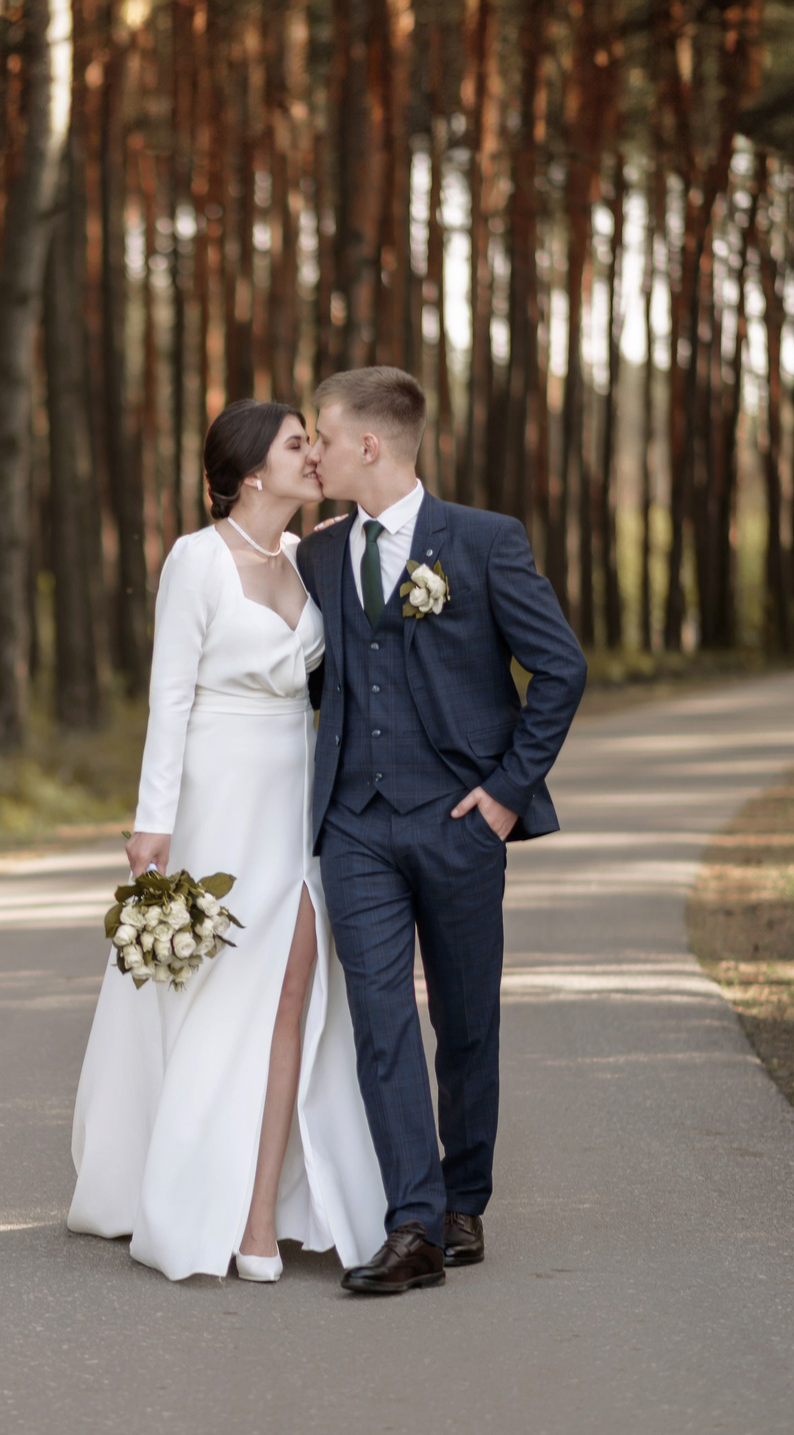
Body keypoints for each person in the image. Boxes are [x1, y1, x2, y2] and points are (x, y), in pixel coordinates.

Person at [67, 400, 384, 1283]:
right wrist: (152, 825)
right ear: (252, 472)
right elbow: (169, 698)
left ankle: (259, 1217)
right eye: (296, 444)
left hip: (297, 796)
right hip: (217, 800)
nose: (312, 455)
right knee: (212, 996)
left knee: (296, 988)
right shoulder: (195, 560)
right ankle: (186, 1190)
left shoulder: (305, 557)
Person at [296, 366, 586, 1296]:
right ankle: (412, 1223)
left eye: (325, 439)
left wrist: (505, 794)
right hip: (356, 826)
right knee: (380, 1022)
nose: (315, 453)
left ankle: (464, 1199)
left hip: (461, 821)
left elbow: (561, 670)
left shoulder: (486, 542)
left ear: (369, 446)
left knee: (464, 1024)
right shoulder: (318, 555)